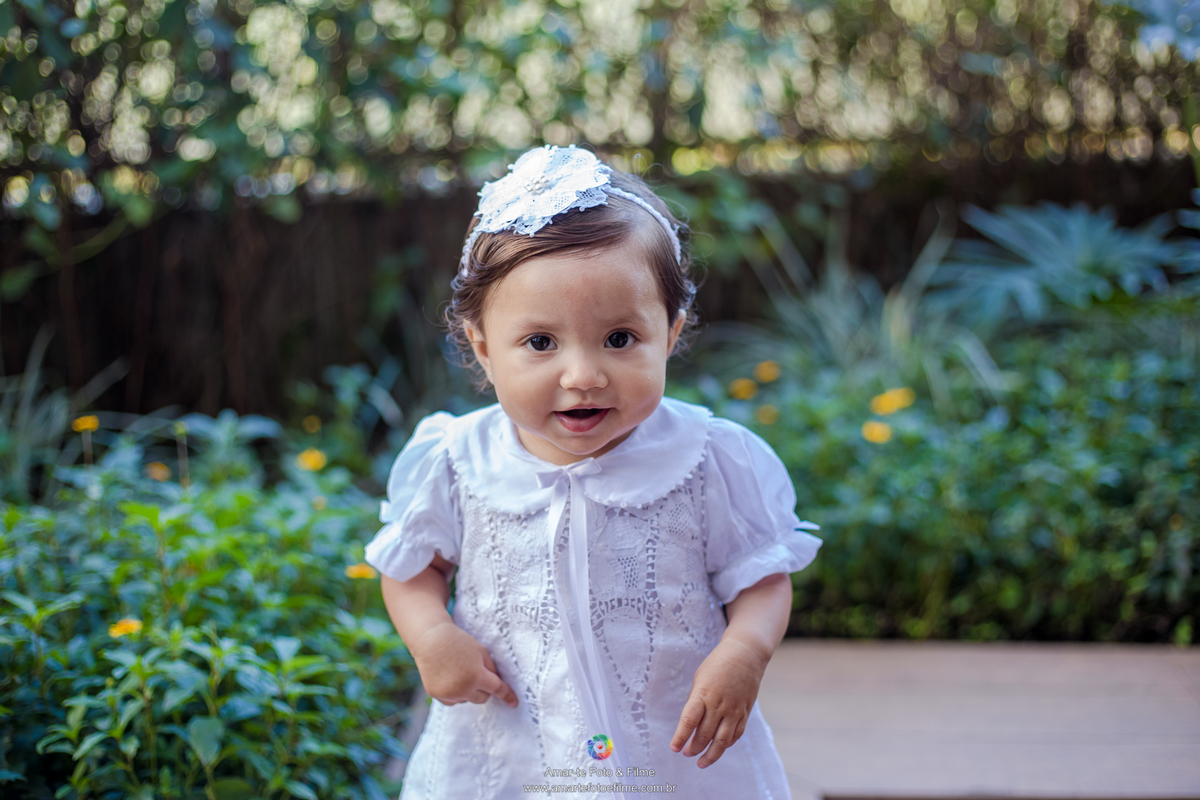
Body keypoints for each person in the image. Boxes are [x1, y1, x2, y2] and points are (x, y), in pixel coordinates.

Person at [365, 145, 821, 799]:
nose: (582, 375)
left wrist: (743, 653)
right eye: (541, 342)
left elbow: (761, 578)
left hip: (670, 750)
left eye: (619, 339)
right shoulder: (458, 461)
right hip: (511, 746)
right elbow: (413, 569)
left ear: (670, 334)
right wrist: (432, 636)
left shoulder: (706, 460)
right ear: (484, 348)